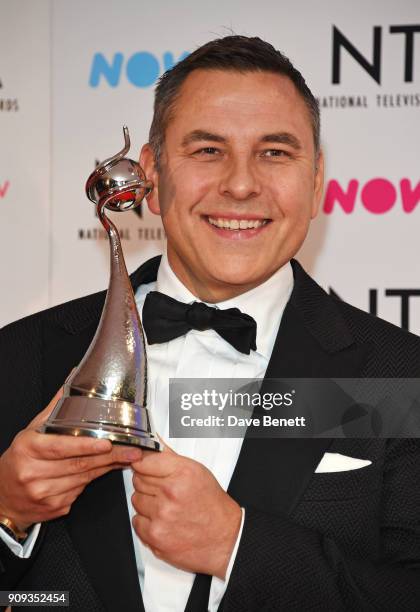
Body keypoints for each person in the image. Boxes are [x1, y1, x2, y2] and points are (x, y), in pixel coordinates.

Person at [0, 35, 419, 612]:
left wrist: (236, 546)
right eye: (207, 151)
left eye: (275, 152)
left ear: (317, 179)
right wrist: (7, 513)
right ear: (151, 172)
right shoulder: (20, 355)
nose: (241, 185)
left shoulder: (400, 373)